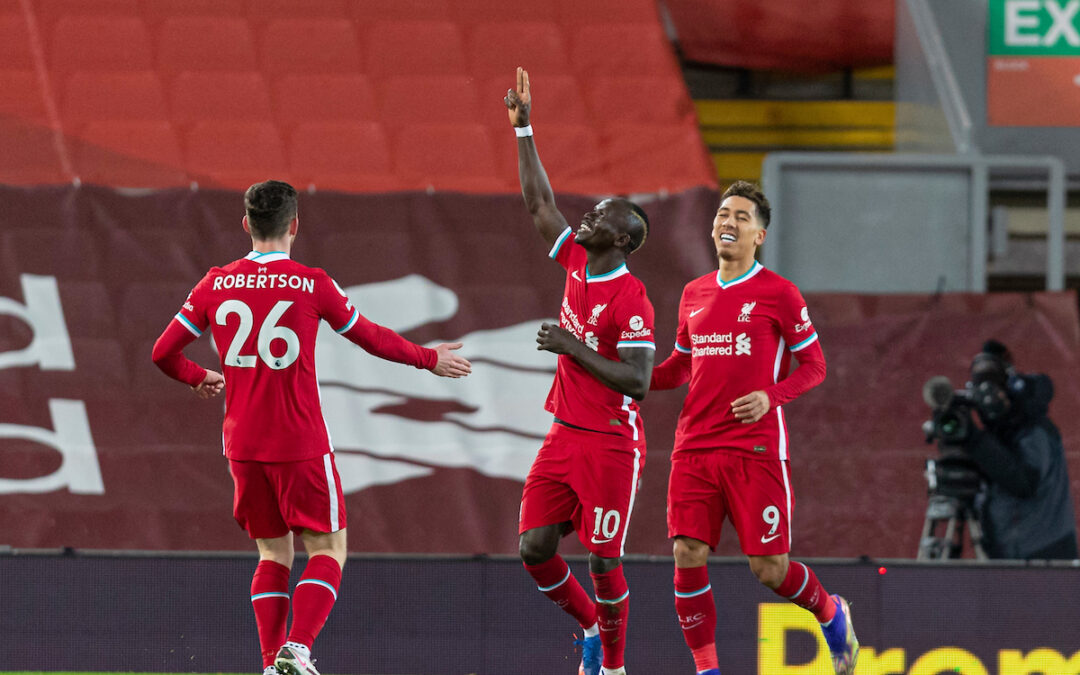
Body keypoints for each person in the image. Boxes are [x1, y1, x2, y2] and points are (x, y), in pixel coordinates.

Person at [151, 180, 472, 675]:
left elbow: (162, 353)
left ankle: (270, 664)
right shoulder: (310, 282)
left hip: (241, 445)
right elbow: (370, 337)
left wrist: (197, 377)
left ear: (245, 225)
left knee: (272, 553)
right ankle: (297, 649)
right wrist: (429, 359)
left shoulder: (214, 283)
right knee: (328, 548)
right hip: (298, 441)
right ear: (295, 226)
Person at [649, 181, 858, 675]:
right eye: (724, 213)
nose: (728, 222)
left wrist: (771, 395)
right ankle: (707, 670)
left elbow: (814, 366)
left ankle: (831, 614)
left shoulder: (779, 293)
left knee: (769, 570)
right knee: (687, 551)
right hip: (695, 446)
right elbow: (681, 365)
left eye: (742, 217)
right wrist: (630, 377)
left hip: (755, 448)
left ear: (759, 235)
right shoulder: (692, 293)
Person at [504, 67, 656, 675]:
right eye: (592, 211)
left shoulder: (633, 299)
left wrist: (571, 345)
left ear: (622, 238)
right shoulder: (574, 260)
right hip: (564, 433)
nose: (588, 217)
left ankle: (613, 668)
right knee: (534, 549)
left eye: (602, 215)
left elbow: (639, 383)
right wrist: (524, 130)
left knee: (602, 561)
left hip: (613, 445)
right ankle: (592, 626)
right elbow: (539, 203)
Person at [963, 340, 1078, 560]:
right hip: (1014, 552)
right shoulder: (1000, 434)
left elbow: (1023, 481)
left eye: (993, 389)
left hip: (1042, 555)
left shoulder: (1032, 429)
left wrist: (976, 441)